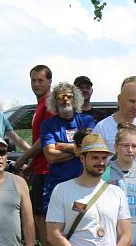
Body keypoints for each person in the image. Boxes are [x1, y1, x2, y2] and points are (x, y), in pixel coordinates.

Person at [17, 65, 54, 246]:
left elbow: (44, 140)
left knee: (44, 221)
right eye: (33, 80)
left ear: (49, 81)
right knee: (39, 219)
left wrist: (23, 158)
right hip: (39, 169)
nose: (36, 84)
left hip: (48, 171)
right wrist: (31, 165)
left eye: (40, 80)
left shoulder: (49, 105)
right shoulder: (39, 105)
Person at [41, 81, 98, 214]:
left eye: (69, 96)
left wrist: (62, 146)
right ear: (55, 101)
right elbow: (50, 156)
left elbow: (92, 148)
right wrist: (79, 150)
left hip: (83, 187)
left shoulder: (87, 120)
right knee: (56, 226)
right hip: (57, 187)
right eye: (61, 97)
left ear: (75, 99)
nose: (65, 100)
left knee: (80, 222)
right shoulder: (48, 125)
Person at [94, 81, 136, 175]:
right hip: (110, 184)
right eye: (131, 101)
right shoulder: (102, 127)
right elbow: (92, 162)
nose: (135, 106)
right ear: (119, 100)